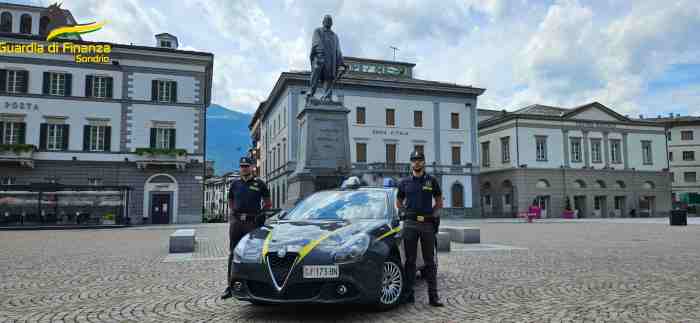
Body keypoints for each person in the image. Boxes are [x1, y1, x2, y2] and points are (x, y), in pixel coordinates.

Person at [396, 150, 444, 307]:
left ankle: (433, 297)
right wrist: (405, 214)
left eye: (419, 160)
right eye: (414, 160)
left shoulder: (432, 181)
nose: (417, 162)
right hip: (410, 224)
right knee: (409, 261)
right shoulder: (404, 182)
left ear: (424, 162)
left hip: (427, 225)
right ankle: (409, 295)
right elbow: (398, 201)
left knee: (430, 262)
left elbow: (438, 201)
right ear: (411, 163)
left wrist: (435, 215)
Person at [221, 156, 271, 300]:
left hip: (252, 223)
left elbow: (267, 203)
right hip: (237, 223)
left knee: (253, 253)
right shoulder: (235, 184)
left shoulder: (259, 184)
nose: (244, 168)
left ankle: (256, 285)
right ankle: (230, 286)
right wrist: (234, 213)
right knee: (233, 253)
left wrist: (260, 215)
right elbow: (230, 199)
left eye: (246, 166)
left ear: (252, 167)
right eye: (242, 166)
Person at [307, 14, 347, 101]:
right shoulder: (318, 31)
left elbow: (338, 50)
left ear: (332, 23)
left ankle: (327, 96)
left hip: (331, 60)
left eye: (330, 20)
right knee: (315, 76)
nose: (328, 22)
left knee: (328, 79)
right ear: (323, 22)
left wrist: (342, 63)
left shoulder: (335, 36)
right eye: (327, 20)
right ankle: (311, 93)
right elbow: (316, 43)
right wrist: (320, 55)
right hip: (319, 58)